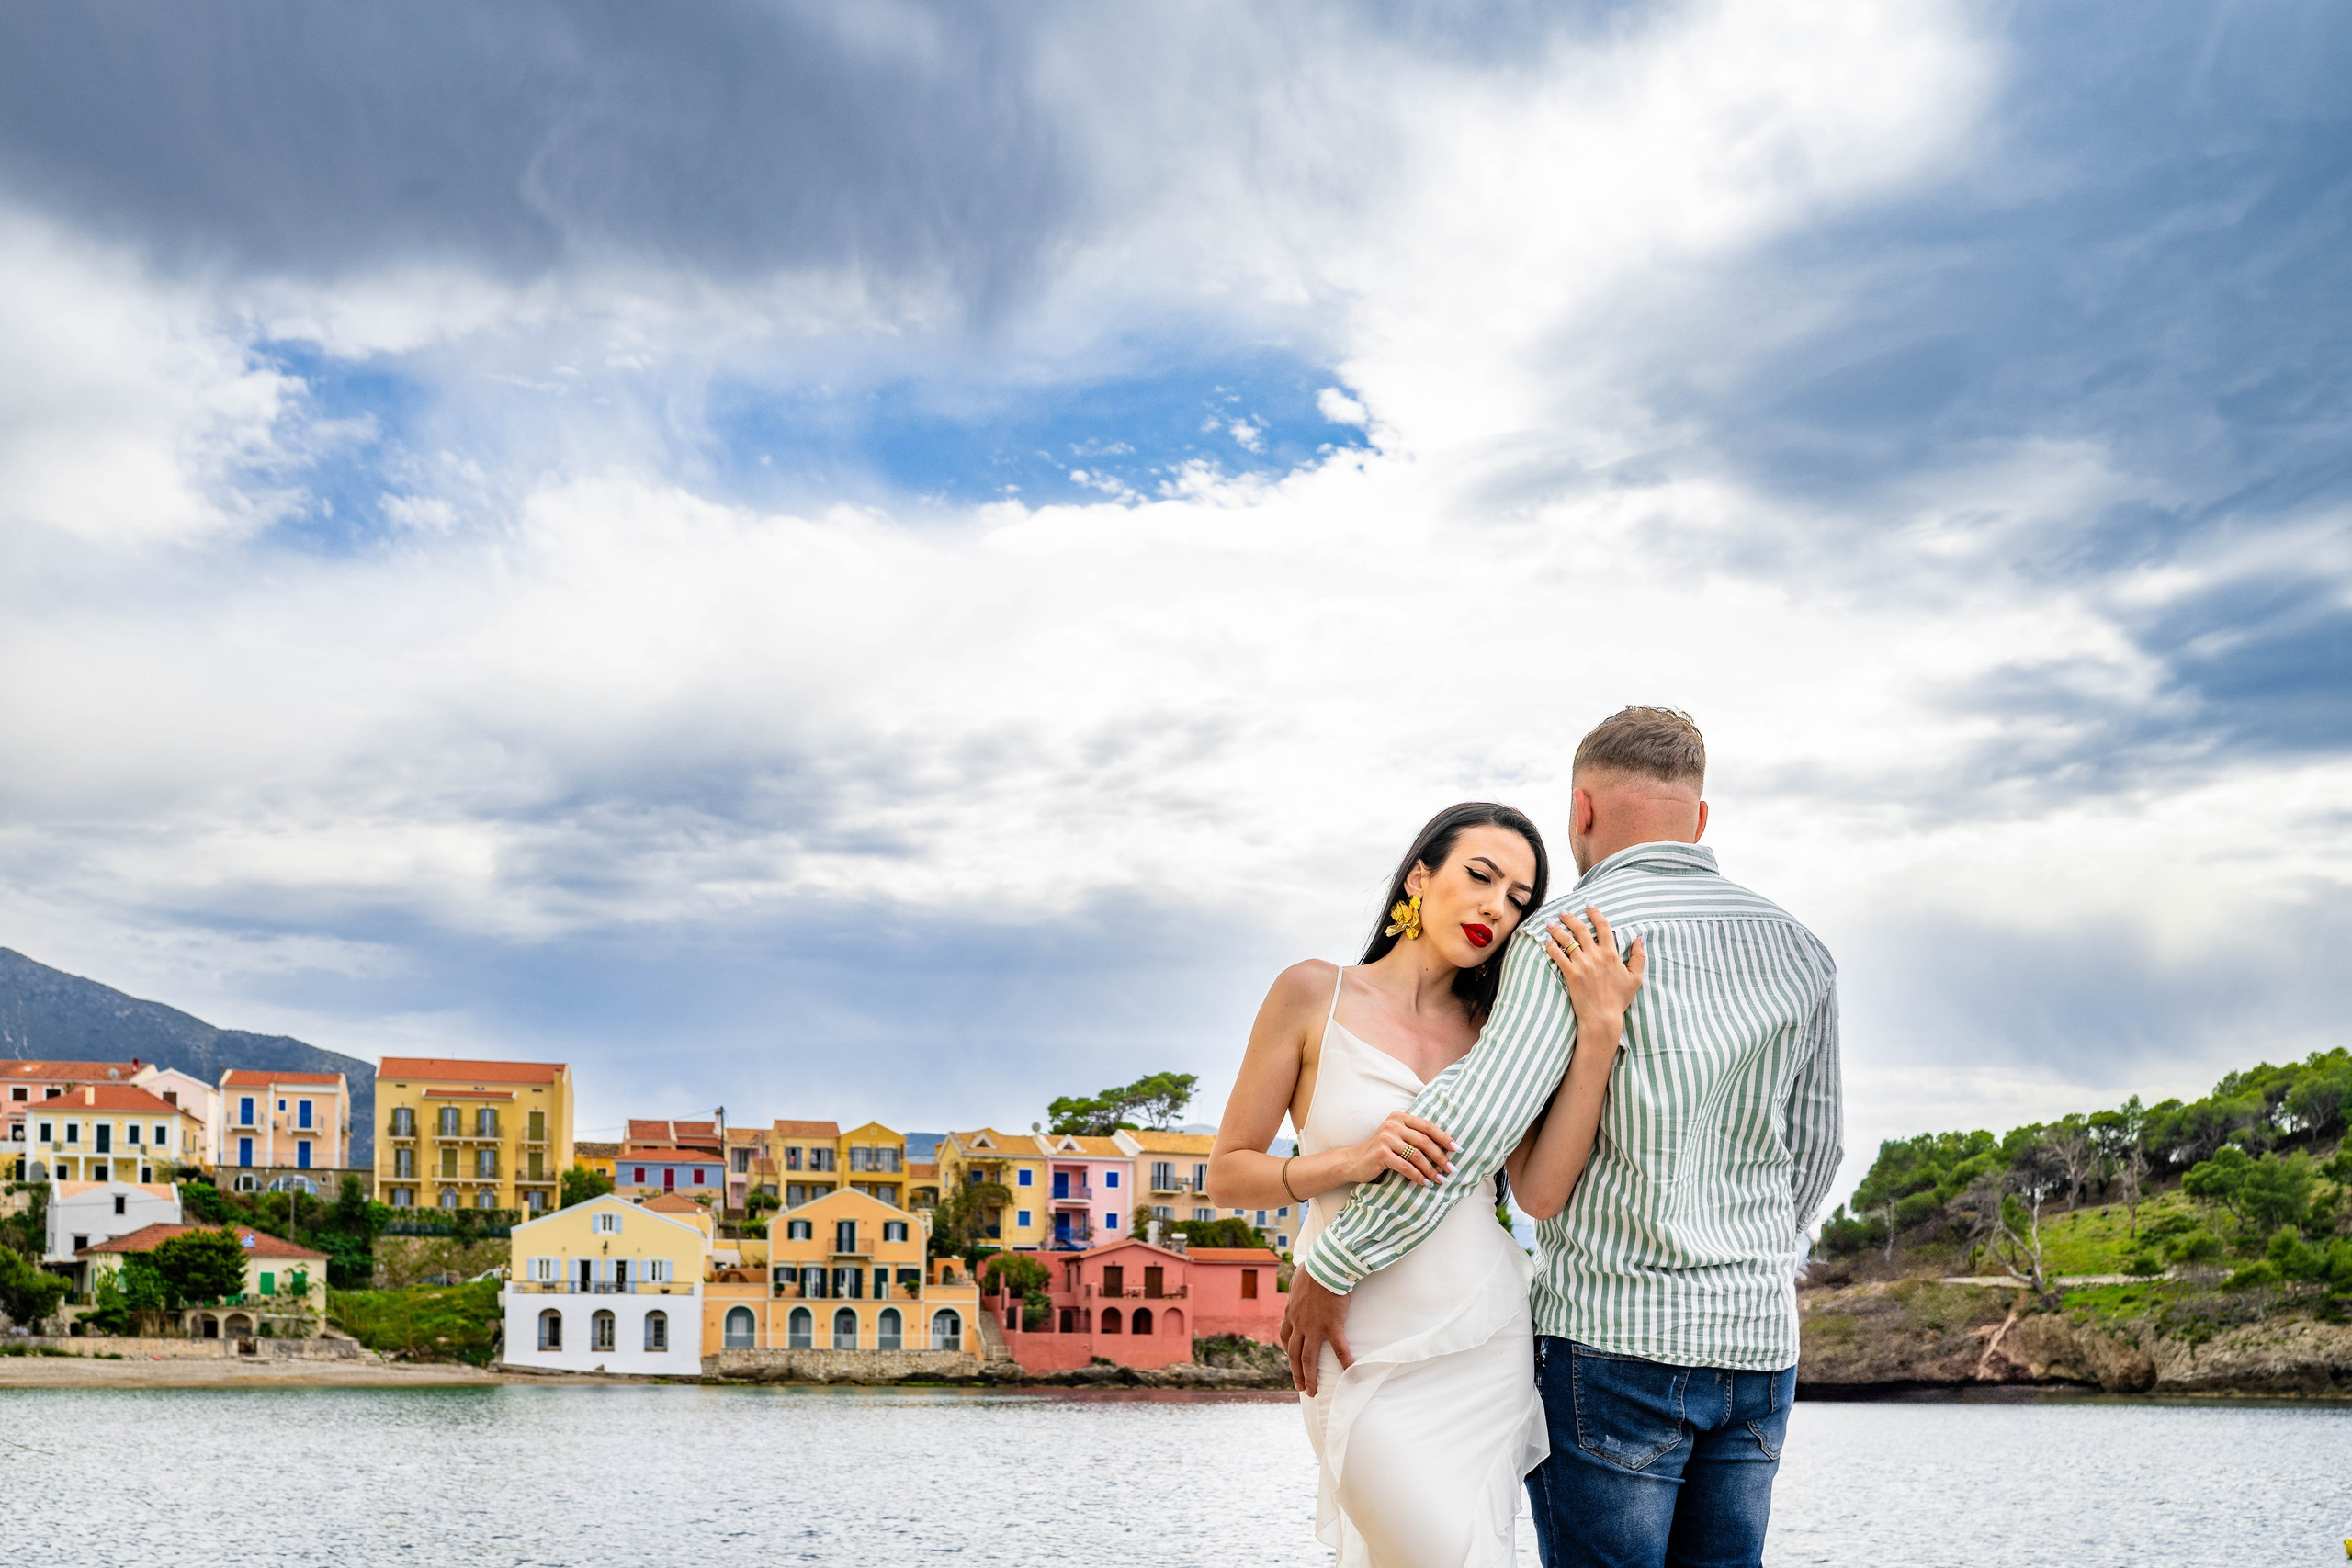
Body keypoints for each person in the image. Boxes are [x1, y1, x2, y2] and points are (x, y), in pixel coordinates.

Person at [1283, 708, 1844, 1568]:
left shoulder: (1570, 933)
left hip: (1616, 1343)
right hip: (1757, 1344)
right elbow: (1813, 1154)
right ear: (1699, 819)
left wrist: (1335, 1258)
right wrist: (1752, 1257)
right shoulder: (1800, 951)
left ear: (1580, 810)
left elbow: (1468, 1128)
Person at [1207, 801, 1645, 1568]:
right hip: (1350, 1332)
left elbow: (1539, 1193)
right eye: (1480, 876)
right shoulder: (1313, 993)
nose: (1495, 907)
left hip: (1481, 1336)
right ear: (1419, 875)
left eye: (1517, 899)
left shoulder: (1504, 1029)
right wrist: (1349, 1160)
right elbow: (1229, 1176)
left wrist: (1599, 1035)